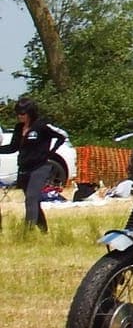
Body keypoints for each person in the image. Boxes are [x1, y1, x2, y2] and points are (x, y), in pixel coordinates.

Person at [2, 98, 71, 232]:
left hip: (40, 167)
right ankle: (44, 231)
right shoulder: (18, 128)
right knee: (33, 202)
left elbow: (62, 136)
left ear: (31, 112)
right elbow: (13, 147)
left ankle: (27, 233)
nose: (20, 116)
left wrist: (51, 153)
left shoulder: (42, 125)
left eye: (23, 113)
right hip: (24, 169)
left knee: (31, 198)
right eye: (18, 113)